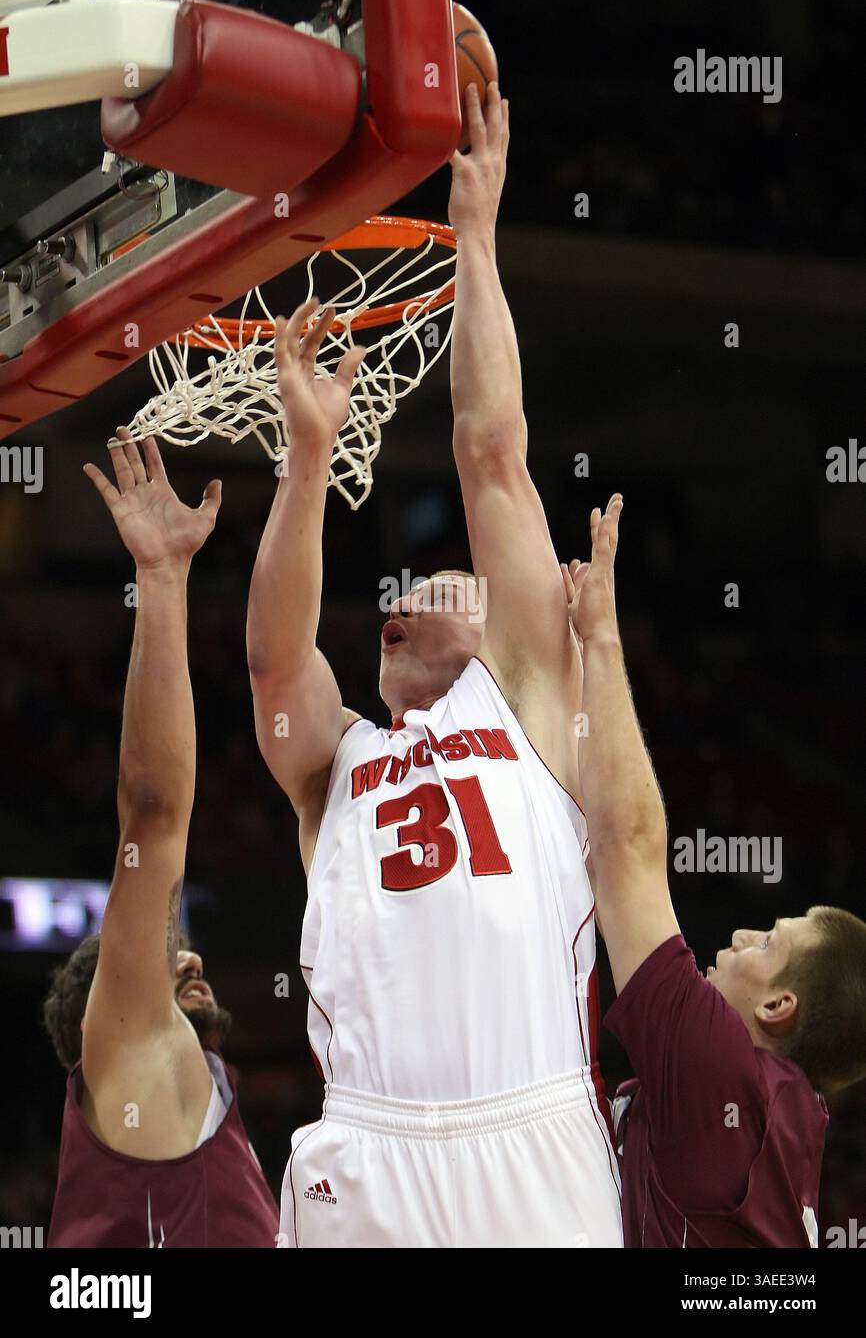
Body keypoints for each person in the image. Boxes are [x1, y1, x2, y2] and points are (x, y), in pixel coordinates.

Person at [247, 84, 622, 1248]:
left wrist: (475, 232)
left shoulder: (534, 705)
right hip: (366, 1144)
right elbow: (274, 656)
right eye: (393, 604)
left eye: (435, 585)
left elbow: (490, 451)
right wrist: (306, 459)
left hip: (531, 1129)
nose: (398, 606)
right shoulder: (338, 763)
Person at [564, 493, 866, 1247]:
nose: (737, 935)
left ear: (778, 1008)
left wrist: (600, 637)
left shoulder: (723, 1071)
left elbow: (628, 847)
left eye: (769, 943)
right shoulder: (781, 1110)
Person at [44, 430, 279, 1247]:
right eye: (162, 949)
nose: (190, 957)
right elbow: (151, 812)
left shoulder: (189, 1108)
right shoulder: (130, 1048)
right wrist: (162, 576)